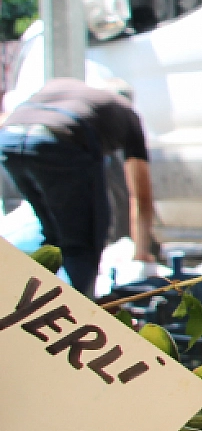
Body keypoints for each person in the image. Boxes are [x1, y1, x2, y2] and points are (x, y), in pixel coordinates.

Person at [0, 78, 156, 295]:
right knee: (82, 244)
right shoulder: (126, 112)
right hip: (59, 141)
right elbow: (141, 195)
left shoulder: (67, 88)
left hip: (9, 140)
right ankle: (75, 312)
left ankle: (28, 304)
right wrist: (142, 253)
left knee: (52, 239)